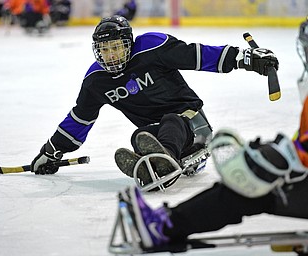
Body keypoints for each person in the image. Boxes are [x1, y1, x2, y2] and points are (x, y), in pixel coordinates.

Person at [109, 20, 308, 251]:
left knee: (245, 190)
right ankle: (165, 209)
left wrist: (275, 160)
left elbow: (194, 55)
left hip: (187, 126)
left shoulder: (151, 49)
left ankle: (164, 225)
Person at [30, 15, 279, 190]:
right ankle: (157, 159)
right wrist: (51, 150)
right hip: (156, 133)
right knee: (140, 135)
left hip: (192, 125)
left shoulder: (152, 48)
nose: (110, 55)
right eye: (104, 50)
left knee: (171, 120)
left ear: (129, 43)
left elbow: (197, 55)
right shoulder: (96, 80)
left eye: (116, 47)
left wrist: (245, 58)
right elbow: (79, 119)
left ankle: (165, 161)